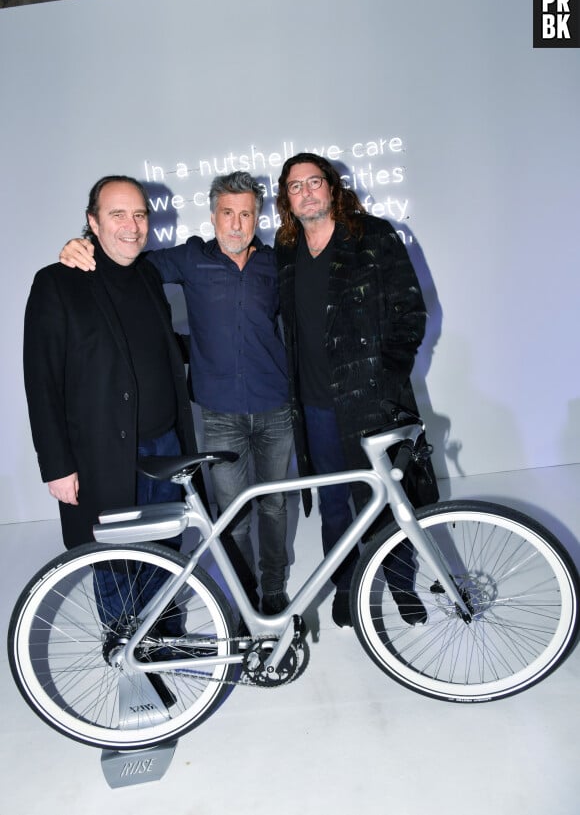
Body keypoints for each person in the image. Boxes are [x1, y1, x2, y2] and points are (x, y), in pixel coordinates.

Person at [59, 171, 294, 615]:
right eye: (227, 213)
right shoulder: (188, 258)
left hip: (274, 408)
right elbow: (125, 260)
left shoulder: (276, 264)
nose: (236, 224)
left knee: (276, 506)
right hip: (220, 414)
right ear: (213, 215)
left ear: (257, 217)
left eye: (246, 214)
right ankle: (244, 594)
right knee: (232, 516)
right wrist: (80, 245)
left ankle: (275, 586)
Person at [24, 175, 199, 630]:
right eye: (117, 214)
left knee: (164, 552)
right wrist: (57, 466)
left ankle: (163, 636)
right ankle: (127, 653)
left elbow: (155, 347)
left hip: (165, 449)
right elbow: (41, 381)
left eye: (139, 214)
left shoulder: (146, 274)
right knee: (115, 562)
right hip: (103, 457)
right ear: (92, 222)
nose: (132, 225)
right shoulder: (57, 283)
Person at [275, 153, 439, 627]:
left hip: (372, 402)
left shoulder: (374, 236)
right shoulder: (285, 249)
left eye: (313, 182)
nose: (305, 192)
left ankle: (401, 584)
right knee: (333, 506)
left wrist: (385, 380)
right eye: (294, 186)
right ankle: (347, 586)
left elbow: (411, 313)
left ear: (332, 187)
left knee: (390, 501)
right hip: (315, 407)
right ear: (287, 198)